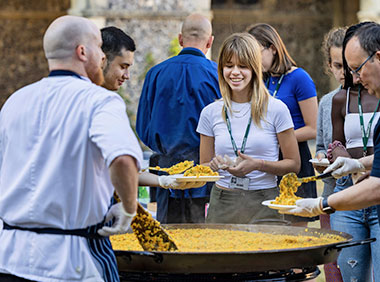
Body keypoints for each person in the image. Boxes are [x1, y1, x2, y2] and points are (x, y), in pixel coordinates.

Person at [0, 15, 143, 282]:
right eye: (99, 48)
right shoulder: (99, 101)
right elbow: (123, 160)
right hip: (70, 263)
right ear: (82, 52)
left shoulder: (15, 101)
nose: (103, 57)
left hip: (9, 258)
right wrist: (128, 208)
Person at [281, 22, 380, 281]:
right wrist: (353, 165)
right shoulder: (330, 102)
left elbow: (377, 185)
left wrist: (320, 204)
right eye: (344, 68)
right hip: (348, 198)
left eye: (357, 68)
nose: (353, 77)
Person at [197, 32, 300, 224]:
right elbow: (204, 166)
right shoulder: (210, 112)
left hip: (266, 201)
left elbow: (294, 164)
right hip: (223, 202)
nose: (235, 72)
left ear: (255, 68)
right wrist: (213, 166)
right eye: (229, 66)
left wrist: (259, 165)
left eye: (242, 66)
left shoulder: (277, 109)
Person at [136, 13, 221, 223]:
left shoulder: (155, 74)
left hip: (165, 172)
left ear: (180, 39)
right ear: (210, 42)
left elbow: (142, 127)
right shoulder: (218, 74)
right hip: (206, 172)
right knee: (206, 242)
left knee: (171, 241)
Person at [100, 26, 203, 191]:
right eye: (123, 66)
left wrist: (163, 180)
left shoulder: (155, 73)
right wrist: (128, 209)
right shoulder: (106, 102)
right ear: (102, 59)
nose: (127, 76)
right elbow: (123, 163)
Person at [247, 23, 318, 226]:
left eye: (256, 52)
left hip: (294, 158)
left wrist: (280, 139)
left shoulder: (299, 78)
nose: (253, 59)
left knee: (295, 226)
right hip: (267, 158)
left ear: (273, 48)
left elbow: (312, 128)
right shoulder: (262, 79)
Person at [314, 27, 346, 282]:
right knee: (333, 270)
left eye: (348, 64)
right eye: (337, 65)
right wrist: (322, 158)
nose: (344, 72)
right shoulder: (326, 102)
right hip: (332, 195)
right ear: (329, 66)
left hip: (364, 196)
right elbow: (321, 145)